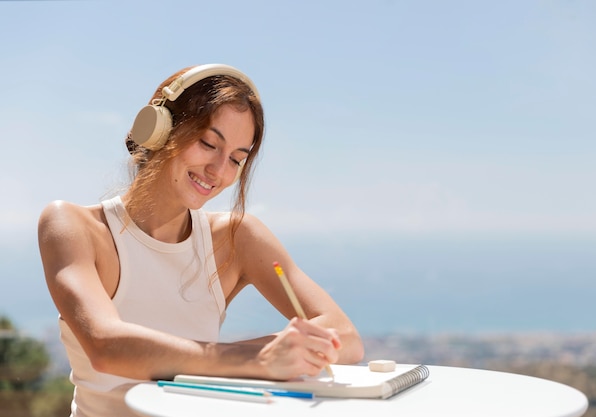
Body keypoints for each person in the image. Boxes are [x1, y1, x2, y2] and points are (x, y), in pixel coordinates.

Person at [38, 63, 364, 416]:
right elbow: (107, 347)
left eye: (237, 159)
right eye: (209, 143)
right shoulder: (73, 225)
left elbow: (345, 337)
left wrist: (289, 351)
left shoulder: (237, 238)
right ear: (158, 130)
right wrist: (259, 358)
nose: (219, 171)